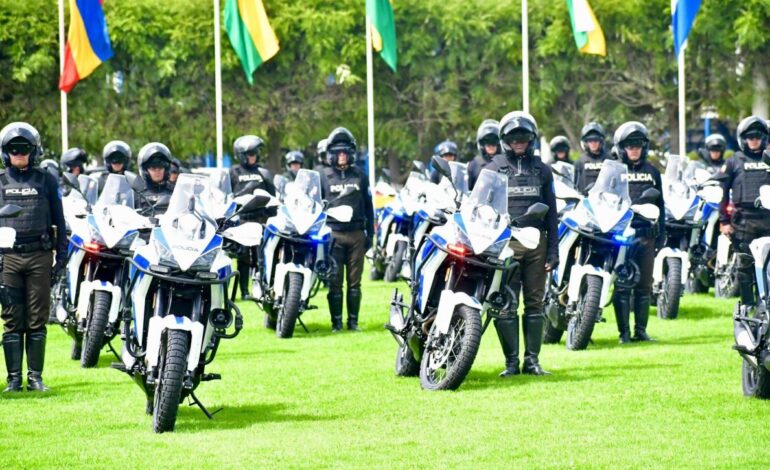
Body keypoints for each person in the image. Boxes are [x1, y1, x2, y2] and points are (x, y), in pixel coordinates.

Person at [485, 111, 558, 376]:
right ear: (505, 139)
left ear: (531, 139)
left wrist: (554, 251)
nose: (519, 142)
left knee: (536, 303)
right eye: (513, 138)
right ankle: (511, 363)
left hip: (537, 243)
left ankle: (532, 361)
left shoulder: (542, 170)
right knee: (506, 303)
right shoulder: (493, 168)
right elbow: (481, 208)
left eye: (524, 138)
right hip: (506, 245)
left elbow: (552, 214)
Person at [0, 122, 67, 392]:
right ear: (5, 152)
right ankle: (14, 379)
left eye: (23, 149)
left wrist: (60, 257)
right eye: (13, 150)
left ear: (33, 151)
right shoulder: (1, 182)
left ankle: (35, 377)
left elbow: (60, 222)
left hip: (39, 255)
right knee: (12, 318)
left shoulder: (46, 180)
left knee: (38, 318)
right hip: (8, 258)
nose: (18, 154)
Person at [612, 121, 665, 344]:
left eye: (638, 145)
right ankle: (624, 333)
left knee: (644, 286)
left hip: (646, 236)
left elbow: (661, 205)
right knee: (622, 285)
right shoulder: (615, 171)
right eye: (629, 145)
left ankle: (640, 331)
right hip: (621, 237)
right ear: (621, 147)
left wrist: (661, 234)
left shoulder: (653, 172)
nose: (634, 149)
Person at [320, 128, 374, 331]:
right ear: (331, 154)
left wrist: (371, 234)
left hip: (356, 234)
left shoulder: (360, 175)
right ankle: (336, 323)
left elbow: (368, 205)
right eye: (338, 152)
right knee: (335, 282)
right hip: (333, 234)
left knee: (354, 282)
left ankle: (353, 322)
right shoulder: (323, 176)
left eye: (345, 152)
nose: (342, 156)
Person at [717, 116, 770, 308]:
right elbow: (720, 191)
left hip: (768, 219)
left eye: (757, 136)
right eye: (750, 137)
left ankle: (766, 307)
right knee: (745, 268)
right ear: (743, 138)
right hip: (744, 222)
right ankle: (749, 310)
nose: (754, 140)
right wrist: (724, 221)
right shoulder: (734, 161)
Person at [228, 135, 276, 300]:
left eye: (255, 153)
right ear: (241, 155)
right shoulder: (233, 172)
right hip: (241, 220)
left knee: (261, 257)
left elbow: (273, 198)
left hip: (260, 220)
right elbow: (227, 196)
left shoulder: (263, 172)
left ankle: (261, 288)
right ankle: (244, 291)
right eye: (249, 154)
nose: (253, 157)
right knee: (243, 258)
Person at [134, 142, 174, 215]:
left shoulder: (175, 191)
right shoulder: (136, 193)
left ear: (166, 169)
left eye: (161, 167)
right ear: (144, 170)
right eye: (153, 167)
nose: (157, 171)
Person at [574, 122, 611, 195]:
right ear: (585, 142)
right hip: (586, 202)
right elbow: (575, 186)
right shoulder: (580, 161)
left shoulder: (609, 160)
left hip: (607, 202)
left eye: (595, 140)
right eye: (590, 140)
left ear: (601, 141)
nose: (593, 143)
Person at [468, 119, 500, 191]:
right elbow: (467, 191)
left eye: (494, 141)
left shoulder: (507, 163)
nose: (490, 145)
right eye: (486, 142)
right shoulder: (473, 165)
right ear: (481, 144)